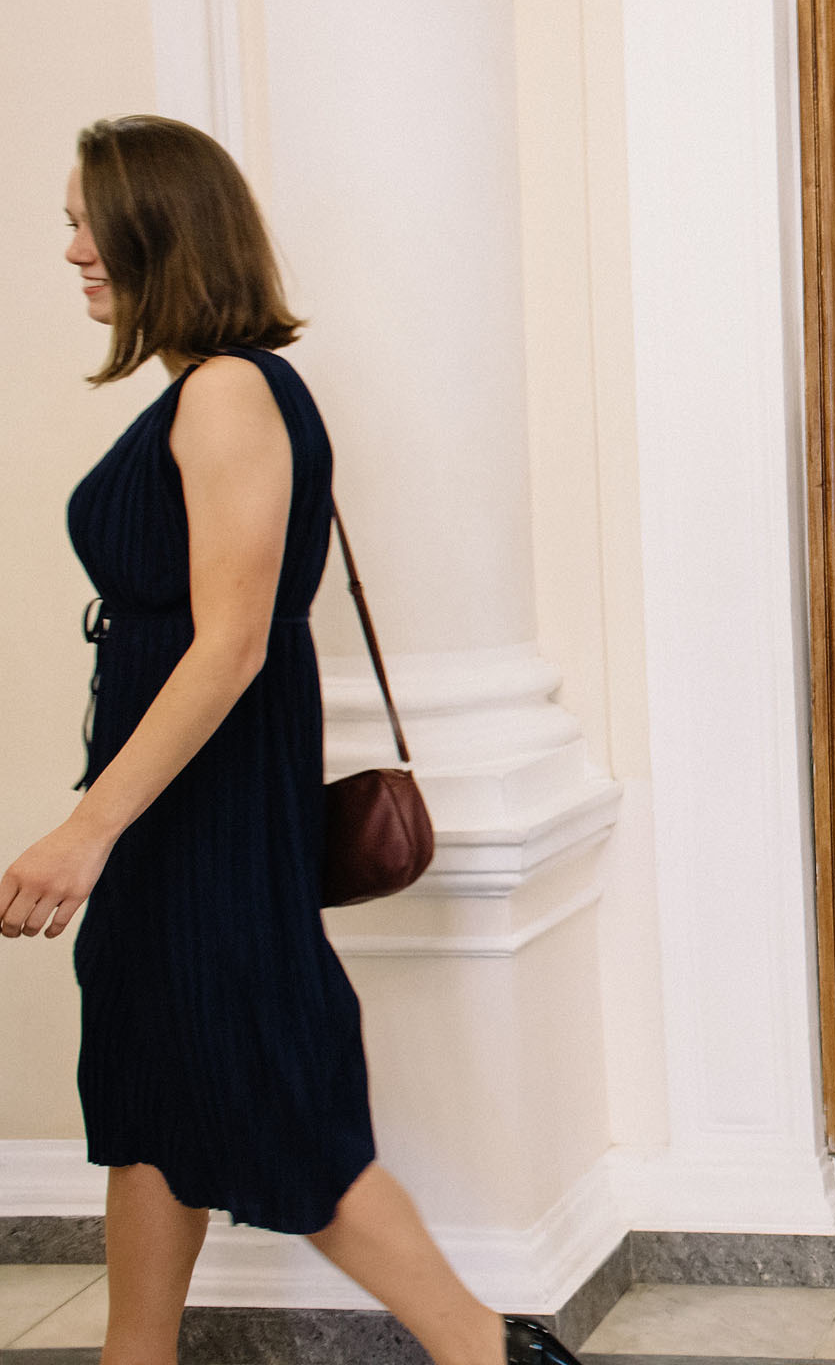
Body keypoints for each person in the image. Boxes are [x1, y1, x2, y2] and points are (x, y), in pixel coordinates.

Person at [0, 116, 580, 1365]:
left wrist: (88, 829)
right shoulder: (205, 388)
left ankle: (485, 1348)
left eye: (83, 220)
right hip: (169, 810)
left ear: (160, 224)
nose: (71, 251)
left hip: (200, 812)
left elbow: (231, 644)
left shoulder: (229, 391)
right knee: (155, 1087)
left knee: (277, 1081)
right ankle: (134, 1352)